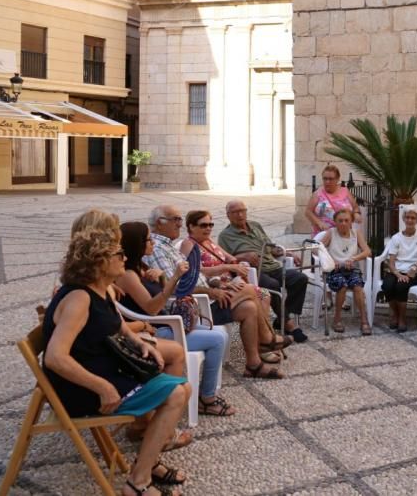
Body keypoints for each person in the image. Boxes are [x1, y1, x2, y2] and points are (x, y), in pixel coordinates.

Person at [44, 227, 190, 496]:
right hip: (84, 390)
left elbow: (118, 326)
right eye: (118, 253)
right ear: (99, 261)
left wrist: (142, 344)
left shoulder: (100, 290)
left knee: (183, 389)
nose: (125, 258)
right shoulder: (78, 299)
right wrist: (102, 387)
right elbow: (54, 357)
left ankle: (148, 462)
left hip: (108, 372)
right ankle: (138, 483)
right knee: (176, 394)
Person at [147, 204, 282, 380]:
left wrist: (220, 282)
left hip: (210, 294)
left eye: (210, 225)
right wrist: (213, 290)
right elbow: (177, 286)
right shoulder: (162, 248)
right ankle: (266, 338)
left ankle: (253, 364)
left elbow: (198, 274)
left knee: (250, 306)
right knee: (252, 291)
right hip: (195, 305)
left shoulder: (175, 245)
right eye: (176, 219)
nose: (179, 224)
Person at [118, 220, 234, 418]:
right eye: (148, 240)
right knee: (217, 339)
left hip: (164, 323)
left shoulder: (141, 268)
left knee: (220, 332)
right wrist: (173, 278)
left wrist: (162, 278)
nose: (152, 243)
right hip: (153, 330)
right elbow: (152, 308)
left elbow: (161, 295)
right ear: (137, 244)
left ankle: (207, 393)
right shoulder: (129, 275)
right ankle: (207, 399)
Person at [218, 200, 310, 343]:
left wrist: (285, 253)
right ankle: (288, 323)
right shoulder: (225, 236)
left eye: (243, 210)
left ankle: (283, 317)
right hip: (252, 272)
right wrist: (241, 256)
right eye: (235, 212)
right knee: (272, 285)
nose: (240, 215)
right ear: (228, 215)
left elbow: (270, 247)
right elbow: (223, 260)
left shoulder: (255, 226)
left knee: (300, 278)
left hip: (273, 266)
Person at [320, 208, 372, 335]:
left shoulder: (356, 233)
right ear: (335, 222)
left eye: (346, 220)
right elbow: (317, 248)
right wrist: (331, 260)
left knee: (358, 286)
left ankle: (364, 320)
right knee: (342, 286)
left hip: (351, 269)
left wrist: (354, 258)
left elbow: (367, 251)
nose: (343, 223)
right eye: (340, 220)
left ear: (351, 222)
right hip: (335, 270)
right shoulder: (331, 233)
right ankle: (337, 319)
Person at [381, 206, 417, 333]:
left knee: (401, 287)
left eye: (413, 218)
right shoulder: (396, 238)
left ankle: (402, 318)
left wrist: (416, 266)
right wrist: (398, 274)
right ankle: (395, 314)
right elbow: (391, 262)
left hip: (412, 272)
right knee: (387, 286)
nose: (410, 220)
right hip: (396, 271)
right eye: (407, 217)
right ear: (403, 219)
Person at [305, 164, 361, 236]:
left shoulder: (345, 191)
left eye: (331, 179)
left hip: (344, 233)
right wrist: (319, 222)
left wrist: (356, 214)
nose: (327, 182)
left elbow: (355, 207)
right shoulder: (318, 194)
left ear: (337, 179)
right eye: (325, 178)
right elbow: (308, 212)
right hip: (324, 233)